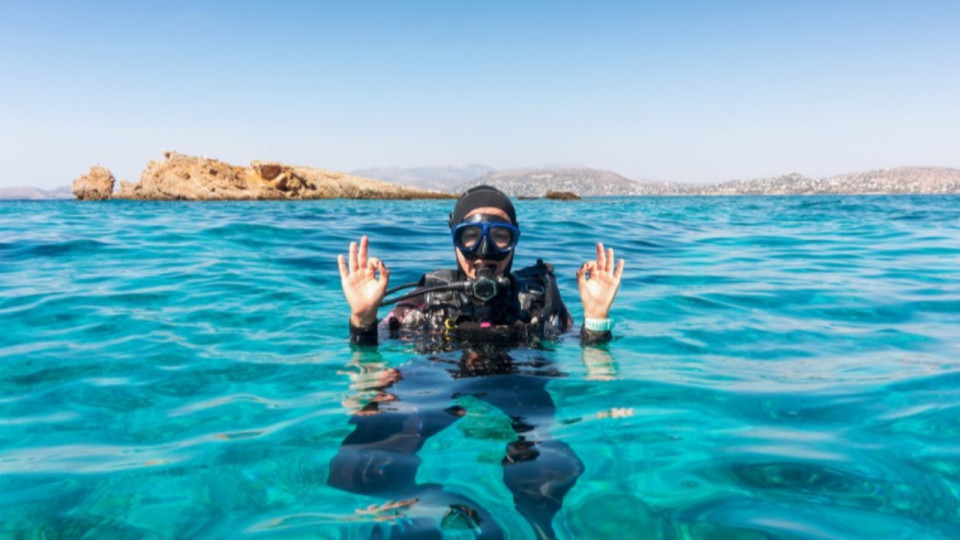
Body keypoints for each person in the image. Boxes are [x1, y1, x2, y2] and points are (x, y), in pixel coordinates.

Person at [330, 186, 625, 538]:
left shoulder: (538, 301)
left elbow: (590, 357)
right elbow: (370, 353)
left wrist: (596, 317)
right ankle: (420, 510)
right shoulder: (427, 299)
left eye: (500, 237)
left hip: (520, 383)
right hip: (438, 377)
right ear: (454, 241)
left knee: (550, 466)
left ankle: (537, 529)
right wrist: (362, 318)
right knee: (358, 464)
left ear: (514, 241)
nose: (484, 253)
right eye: (470, 237)